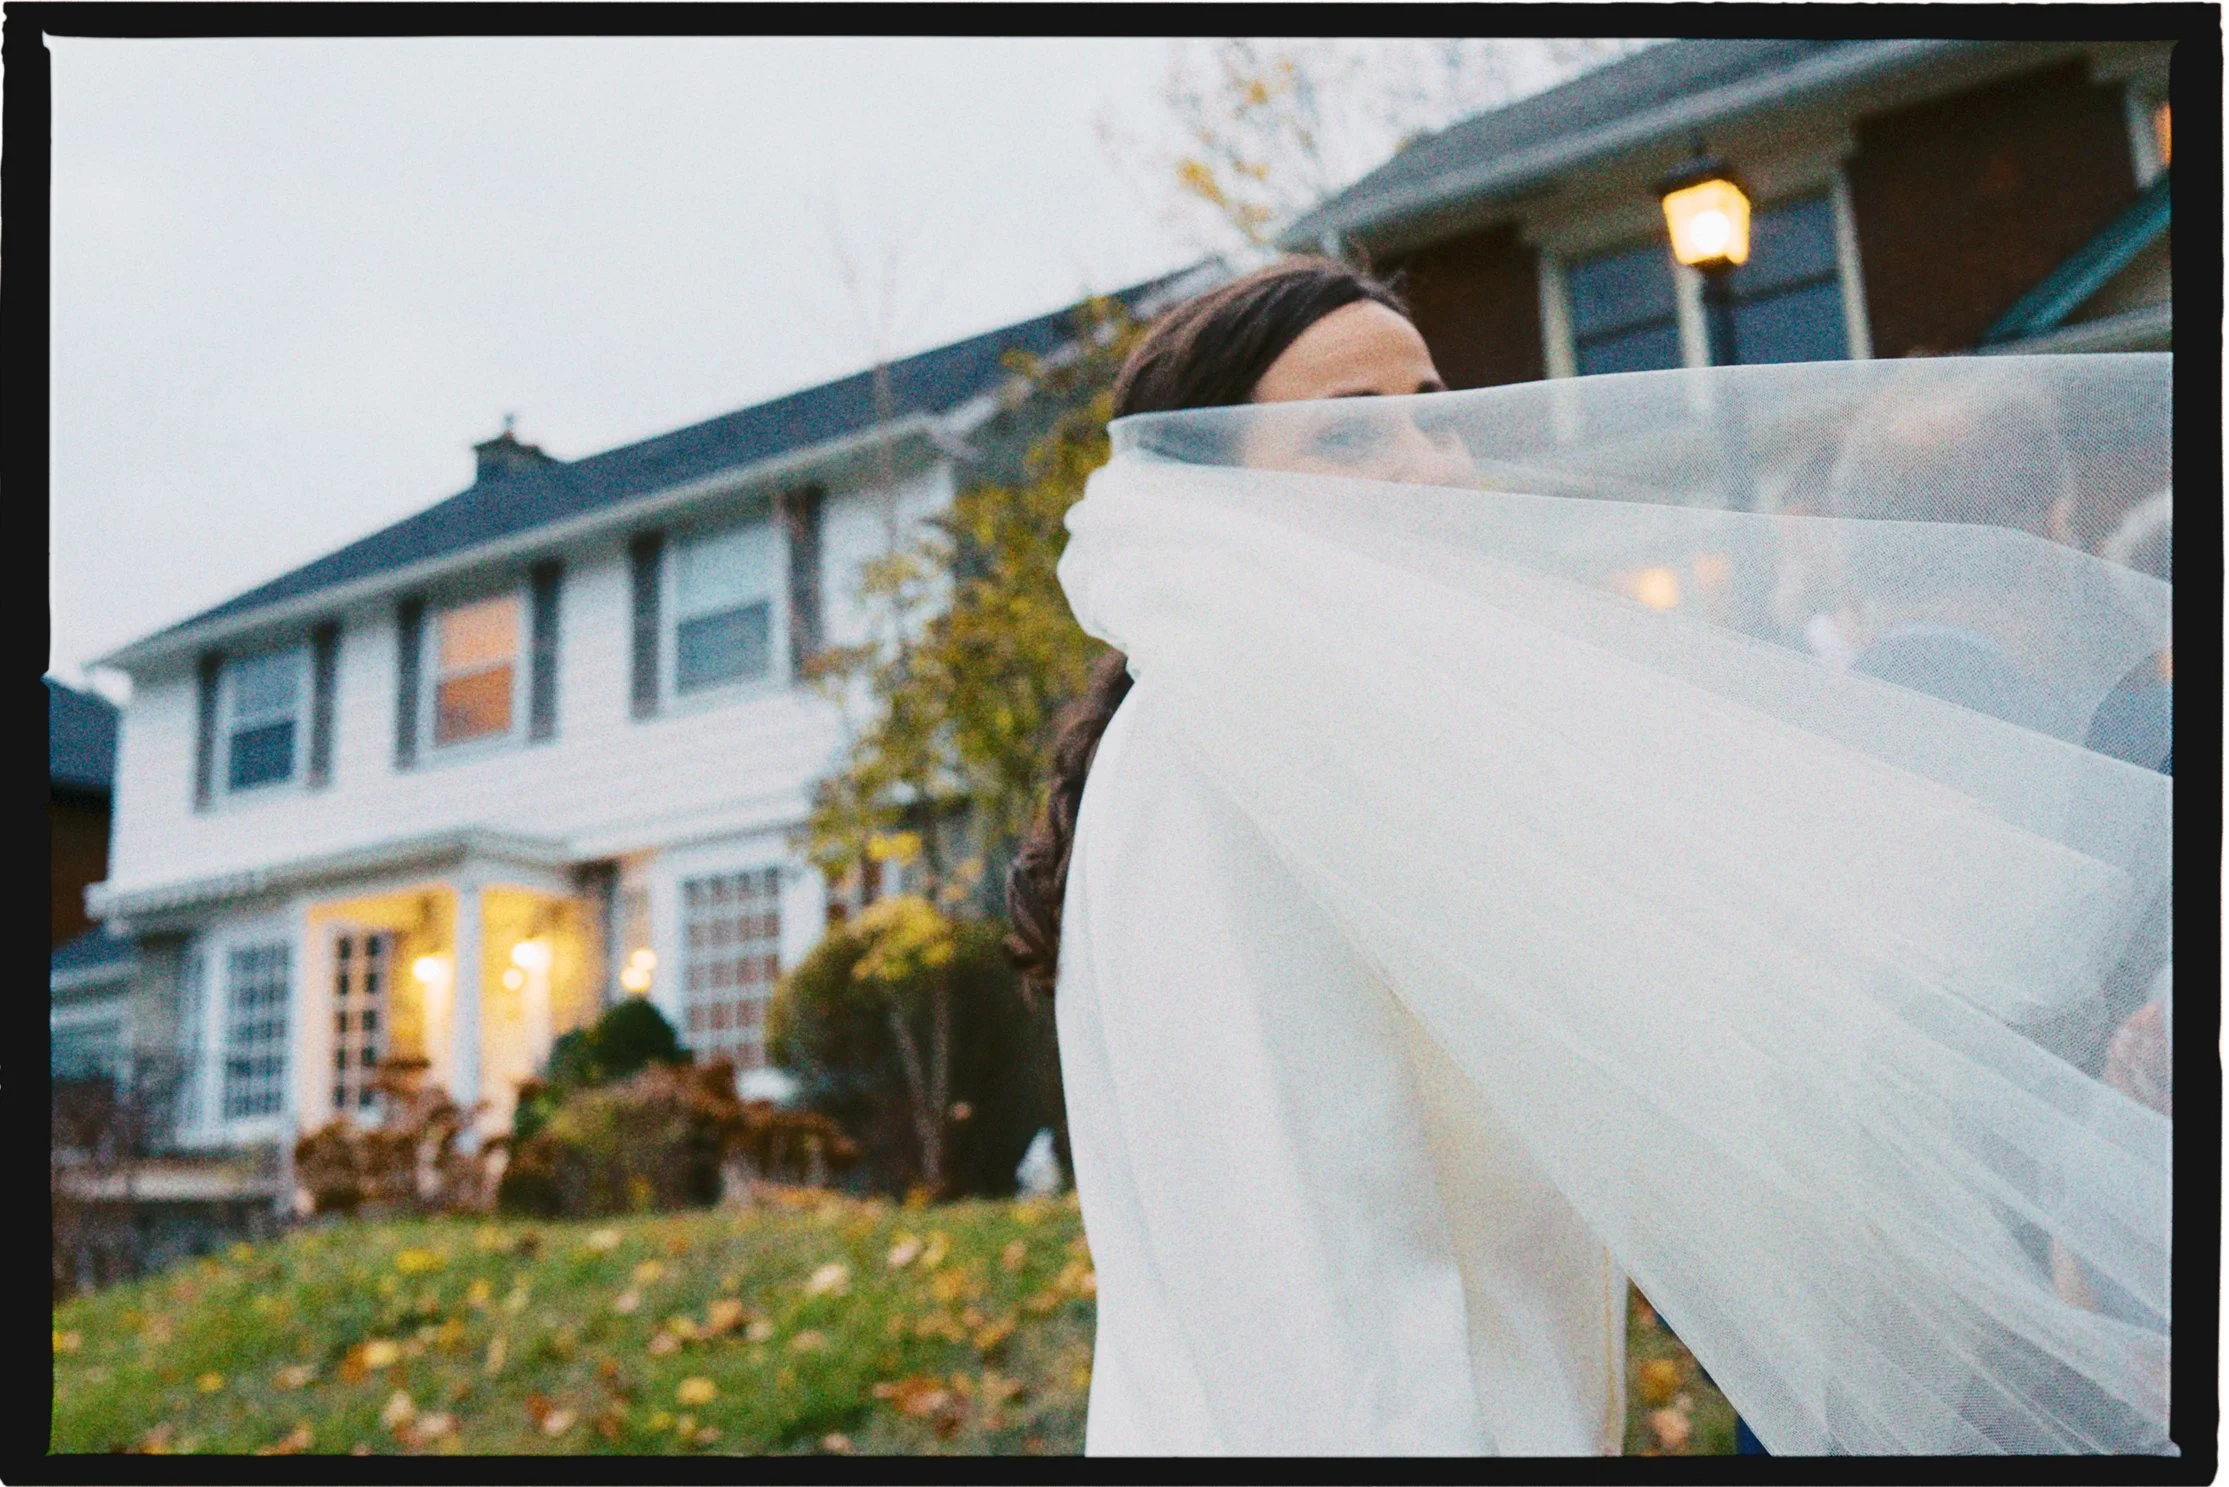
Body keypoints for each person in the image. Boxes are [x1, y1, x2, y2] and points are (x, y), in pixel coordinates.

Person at [1006, 262, 2174, 1456]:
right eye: (1351, 435)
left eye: (1434, 411)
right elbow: (1297, 1279)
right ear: (1213, 501)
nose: (1431, 462)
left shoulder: (1419, 766)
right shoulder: (1209, 752)